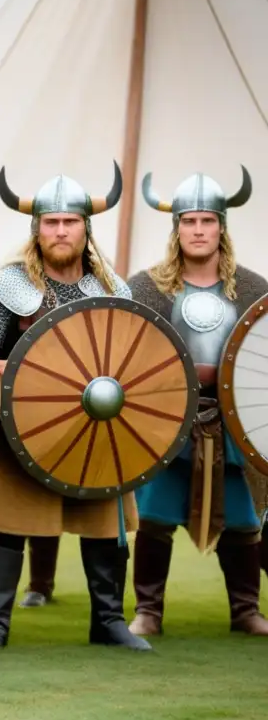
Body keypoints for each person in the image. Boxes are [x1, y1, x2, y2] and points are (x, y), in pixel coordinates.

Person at [0, 164, 151, 652]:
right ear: (37, 229)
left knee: (104, 529)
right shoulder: (10, 286)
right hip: (25, 430)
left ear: (85, 229)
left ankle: (109, 622)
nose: (60, 231)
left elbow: (134, 358)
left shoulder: (111, 289)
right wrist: (24, 373)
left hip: (98, 432)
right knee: (9, 527)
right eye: (51, 222)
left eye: (69, 222)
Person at [128, 167, 268, 637]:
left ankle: (245, 611)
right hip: (166, 418)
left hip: (232, 422)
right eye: (189, 222)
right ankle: (148, 610)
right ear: (177, 228)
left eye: (208, 221)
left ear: (222, 227)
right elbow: (128, 353)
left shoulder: (254, 290)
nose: (199, 230)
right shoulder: (146, 288)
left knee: (243, 517)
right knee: (153, 515)